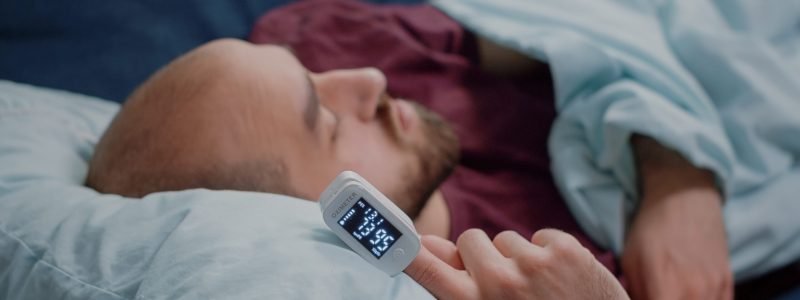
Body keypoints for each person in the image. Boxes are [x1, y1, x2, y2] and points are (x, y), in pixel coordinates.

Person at [87, 2, 734, 299]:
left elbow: (582, 23)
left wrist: (677, 173)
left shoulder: (321, 39)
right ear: (307, 213)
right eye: (326, 123)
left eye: (304, 74)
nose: (367, 81)